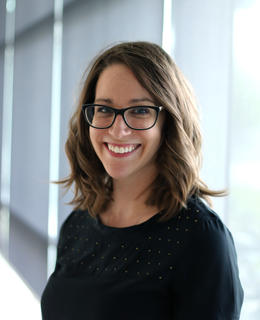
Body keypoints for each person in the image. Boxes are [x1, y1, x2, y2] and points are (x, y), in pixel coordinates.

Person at [41, 41, 243, 319]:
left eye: (140, 111)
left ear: (169, 122)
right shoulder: (78, 223)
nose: (118, 129)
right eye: (104, 109)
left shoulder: (201, 238)